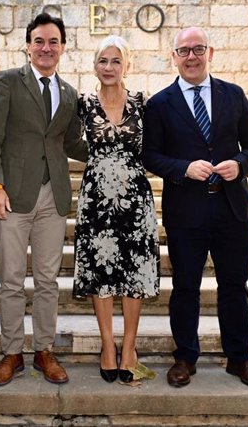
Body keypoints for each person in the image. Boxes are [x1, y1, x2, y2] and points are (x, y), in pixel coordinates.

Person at [141, 26, 248, 390]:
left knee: (234, 286)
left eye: (198, 49)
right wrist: (182, 168)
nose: (192, 56)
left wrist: (241, 164)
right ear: (174, 57)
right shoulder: (160, 104)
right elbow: (150, 154)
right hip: (186, 212)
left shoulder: (233, 94)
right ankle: (185, 357)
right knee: (185, 287)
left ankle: (240, 360)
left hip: (232, 208)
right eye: (184, 51)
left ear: (210, 53)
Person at [0, 12, 88, 386]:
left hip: (53, 196)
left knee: (47, 281)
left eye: (53, 41)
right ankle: (12, 353)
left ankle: (43, 350)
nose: (46, 48)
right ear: (28, 46)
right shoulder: (8, 82)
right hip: (11, 197)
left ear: (63, 48)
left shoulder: (69, 93)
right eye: (39, 41)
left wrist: (112, 148)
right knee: (11, 280)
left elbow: (71, 143)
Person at [72, 35, 160, 384]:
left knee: (134, 273)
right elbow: (64, 140)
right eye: (103, 61)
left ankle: (129, 348)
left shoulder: (142, 103)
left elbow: (155, 146)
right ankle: (108, 346)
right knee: (101, 272)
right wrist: (98, 160)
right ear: (94, 66)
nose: (109, 67)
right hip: (96, 200)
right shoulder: (82, 104)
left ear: (127, 65)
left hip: (135, 199)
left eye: (116, 61)